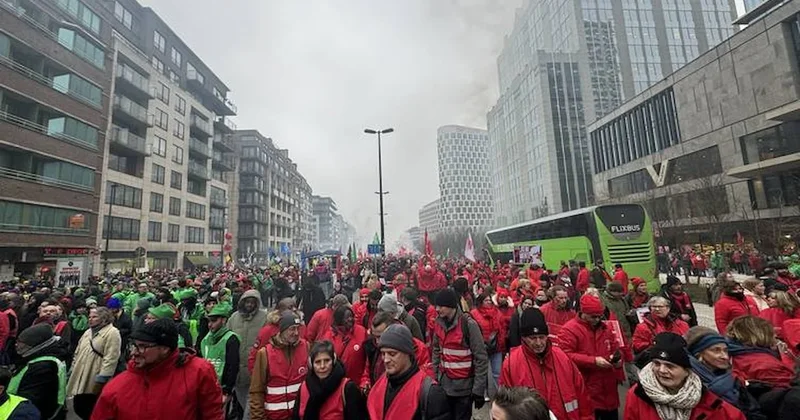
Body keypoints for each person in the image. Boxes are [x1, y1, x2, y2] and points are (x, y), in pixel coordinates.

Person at [91, 319, 223, 420]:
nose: (134, 353)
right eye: (134, 346)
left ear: (165, 348)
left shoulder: (199, 371)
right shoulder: (116, 387)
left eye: (143, 346)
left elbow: (213, 414)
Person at [624, 332, 746, 420]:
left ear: (687, 370)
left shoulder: (708, 400)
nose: (662, 370)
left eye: (670, 366)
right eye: (656, 363)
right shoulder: (637, 394)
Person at [499, 308, 592, 420]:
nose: (538, 343)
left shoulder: (563, 358)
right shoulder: (510, 365)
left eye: (542, 337)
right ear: (523, 338)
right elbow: (505, 406)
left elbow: (583, 398)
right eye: (533, 338)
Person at [366, 324, 451, 420]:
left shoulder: (431, 393)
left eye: (392, 354)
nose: (386, 360)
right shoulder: (379, 386)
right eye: (383, 353)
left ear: (407, 353)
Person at [559, 294, 622, 420]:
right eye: (594, 317)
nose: (597, 319)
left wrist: (618, 361)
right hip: (587, 388)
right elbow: (564, 355)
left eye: (600, 316)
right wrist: (593, 361)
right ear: (583, 312)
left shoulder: (605, 328)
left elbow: (616, 348)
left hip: (608, 388)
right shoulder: (569, 330)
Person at [431, 288, 488, 420]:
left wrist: (478, 390)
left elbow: (481, 358)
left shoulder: (468, 325)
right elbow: (436, 350)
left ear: (451, 305)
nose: (437, 309)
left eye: (441, 306)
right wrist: (435, 376)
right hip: (444, 385)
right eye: (436, 306)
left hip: (464, 389)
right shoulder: (438, 323)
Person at [685, 327, 764, 419]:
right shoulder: (691, 383)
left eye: (725, 350)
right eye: (716, 350)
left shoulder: (731, 378)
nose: (725, 356)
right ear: (698, 354)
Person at [249, 312, 309, 420]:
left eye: (298, 329)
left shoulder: (306, 347)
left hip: (300, 415)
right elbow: (256, 391)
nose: (296, 333)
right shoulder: (265, 353)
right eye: (292, 329)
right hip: (274, 416)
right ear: (282, 330)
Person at [67, 307, 121, 420]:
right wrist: (73, 366)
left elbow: (111, 357)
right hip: (81, 370)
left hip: (94, 373)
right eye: (90, 317)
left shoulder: (112, 332)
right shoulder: (88, 331)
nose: (90, 319)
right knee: (78, 404)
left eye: (94, 317)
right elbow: (78, 349)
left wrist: (103, 377)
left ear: (104, 318)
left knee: (90, 405)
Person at [292, 340, 367, 420]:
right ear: (311, 364)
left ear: (334, 360)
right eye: (318, 362)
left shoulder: (347, 389)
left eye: (327, 361)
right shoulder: (304, 388)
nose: (322, 366)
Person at [10, 323, 67, 420]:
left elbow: (31, 397)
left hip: (33, 414)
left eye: (21, 343)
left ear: (34, 345)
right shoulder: (46, 357)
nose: (16, 345)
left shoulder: (43, 367)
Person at [227, 289, 268, 418]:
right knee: (243, 402)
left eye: (252, 302)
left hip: (256, 370)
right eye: (247, 302)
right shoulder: (234, 318)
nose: (249, 305)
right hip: (238, 372)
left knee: (251, 407)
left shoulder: (265, 317)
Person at [726, 315, 794, 390]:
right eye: (771, 333)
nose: (775, 336)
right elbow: (792, 391)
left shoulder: (735, 354)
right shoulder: (767, 365)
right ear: (760, 335)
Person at [199, 302, 239, 398]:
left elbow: (233, 366)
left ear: (224, 320)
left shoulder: (232, 339)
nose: (210, 324)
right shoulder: (205, 339)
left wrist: (227, 390)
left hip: (222, 388)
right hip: (206, 386)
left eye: (214, 321)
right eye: (209, 321)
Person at [320, 305, 367, 385]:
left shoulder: (362, 332)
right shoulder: (328, 337)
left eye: (352, 316)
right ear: (339, 319)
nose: (350, 319)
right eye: (347, 317)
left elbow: (367, 360)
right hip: (335, 384)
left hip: (357, 384)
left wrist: (365, 380)